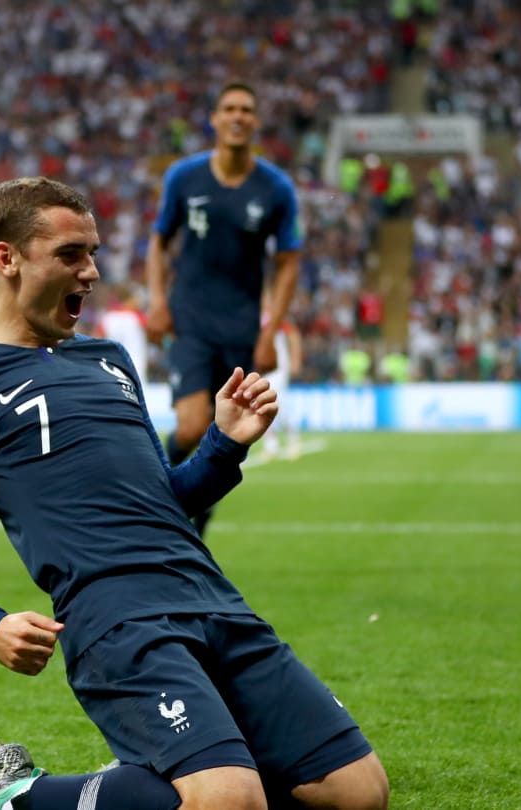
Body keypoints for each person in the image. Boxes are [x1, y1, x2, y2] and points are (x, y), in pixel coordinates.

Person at [0, 177, 387, 810]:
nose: (92, 271)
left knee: (359, 793)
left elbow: (163, 499)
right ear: (7, 258)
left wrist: (224, 444)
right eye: (70, 254)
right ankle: (13, 797)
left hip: (212, 596)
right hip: (116, 619)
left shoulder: (111, 360)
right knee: (230, 800)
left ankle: (160, 780)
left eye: (92, 252)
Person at [146, 80, 302, 537]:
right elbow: (158, 242)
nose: (238, 116)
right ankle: (160, 503)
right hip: (191, 319)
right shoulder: (184, 177)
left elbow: (289, 262)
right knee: (191, 427)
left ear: (255, 122)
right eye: (230, 108)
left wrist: (270, 332)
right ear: (215, 119)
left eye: (246, 110)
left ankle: (196, 526)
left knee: (226, 431)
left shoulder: (276, 188)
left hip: (241, 327)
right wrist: (157, 301)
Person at [258, 292, 303, 462]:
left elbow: (293, 336)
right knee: (260, 405)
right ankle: (271, 445)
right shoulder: (254, 318)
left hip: (279, 368)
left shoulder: (276, 317)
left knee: (279, 404)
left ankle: (293, 439)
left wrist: (296, 359)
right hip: (261, 369)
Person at [98, 283, 150, 380]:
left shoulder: (108, 317)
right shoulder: (138, 317)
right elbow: (153, 334)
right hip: (136, 366)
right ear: (130, 298)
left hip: (112, 365)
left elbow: (97, 339)